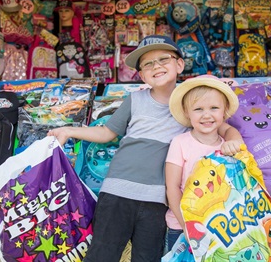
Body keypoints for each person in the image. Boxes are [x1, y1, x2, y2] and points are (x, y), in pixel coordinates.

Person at [47, 35, 243, 261]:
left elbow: (225, 129)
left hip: (157, 200)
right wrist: (69, 131)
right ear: (141, 74)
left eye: (163, 59)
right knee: (101, 255)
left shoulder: (191, 103)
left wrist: (234, 141)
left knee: (147, 257)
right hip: (116, 192)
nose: (156, 66)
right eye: (148, 63)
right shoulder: (135, 99)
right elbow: (106, 132)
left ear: (179, 64)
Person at [163, 76, 240, 253]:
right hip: (181, 227)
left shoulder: (228, 147)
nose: (207, 115)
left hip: (221, 229)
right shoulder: (180, 142)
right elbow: (172, 188)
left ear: (224, 111)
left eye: (214, 108)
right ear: (187, 112)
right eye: (198, 109)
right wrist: (187, 227)